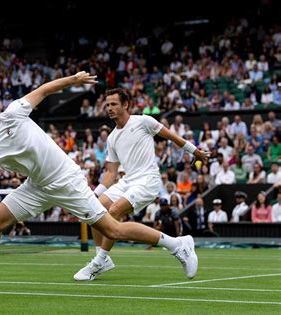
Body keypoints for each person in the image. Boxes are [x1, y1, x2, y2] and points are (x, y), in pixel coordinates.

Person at [0, 73, 202, 296]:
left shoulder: (13, 113)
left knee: (112, 229)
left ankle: (177, 244)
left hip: (66, 180)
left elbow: (43, 90)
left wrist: (73, 81)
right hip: (37, 186)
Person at [73, 87, 209, 281]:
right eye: (107, 104)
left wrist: (194, 151)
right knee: (96, 208)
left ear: (126, 104)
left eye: (114, 104)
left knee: (114, 212)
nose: (109, 108)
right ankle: (101, 259)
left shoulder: (143, 121)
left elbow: (172, 137)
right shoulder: (112, 137)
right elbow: (111, 172)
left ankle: (175, 245)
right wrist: (96, 193)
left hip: (148, 180)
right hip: (127, 180)